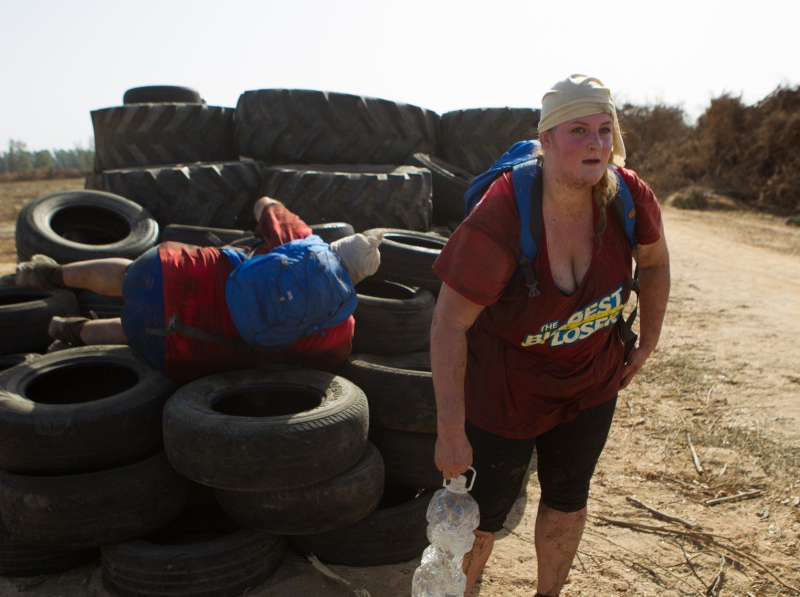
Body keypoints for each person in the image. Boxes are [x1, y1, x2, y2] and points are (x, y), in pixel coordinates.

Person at [429, 74, 671, 596]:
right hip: (504, 391)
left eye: (605, 130)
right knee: (481, 517)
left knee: (567, 496)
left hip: (590, 382)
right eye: (578, 130)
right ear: (546, 141)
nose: (595, 143)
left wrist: (647, 340)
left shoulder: (628, 197)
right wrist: (451, 430)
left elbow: (653, 262)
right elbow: (449, 321)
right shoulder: (503, 214)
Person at [15, 196, 381, 381]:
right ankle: (70, 330)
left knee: (127, 276)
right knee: (137, 331)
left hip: (173, 275)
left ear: (336, 246)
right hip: (185, 342)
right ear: (356, 282)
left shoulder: (300, 237)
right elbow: (328, 365)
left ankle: (51, 273)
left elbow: (265, 203)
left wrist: (263, 214)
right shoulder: (339, 324)